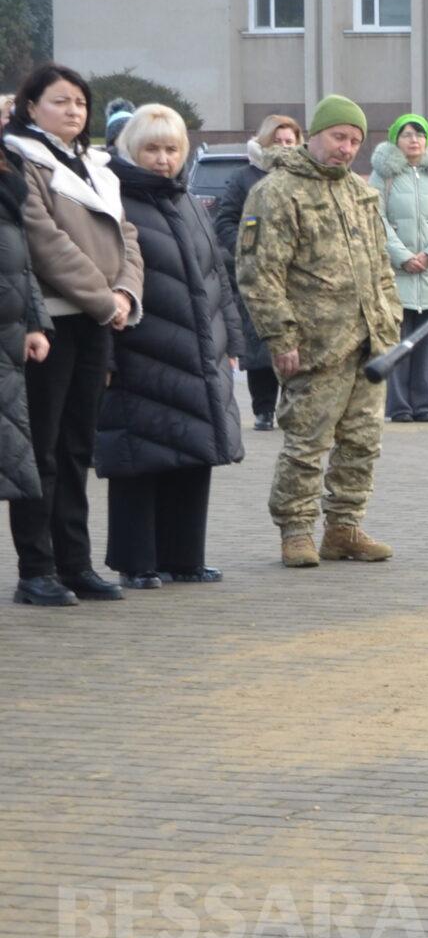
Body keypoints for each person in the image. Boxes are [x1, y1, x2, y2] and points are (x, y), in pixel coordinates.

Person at [236, 95, 405, 569]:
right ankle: (295, 529)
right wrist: (280, 336)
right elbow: (258, 272)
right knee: (307, 442)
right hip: (314, 344)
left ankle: (344, 527)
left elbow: (381, 267)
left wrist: (389, 318)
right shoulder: (277, 191)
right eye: (338, 136)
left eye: (355, 140)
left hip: (368, 341)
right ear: (314, 135)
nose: (346, 148)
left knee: (362, 441)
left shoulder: (361, 192)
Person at [4, 64, 143, 605]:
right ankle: (35, 570)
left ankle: (75, 563)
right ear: (31, 106)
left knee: (77, 446)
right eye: (60, 101)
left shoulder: (95, 166)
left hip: (97, 318)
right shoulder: (22, 158)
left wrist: (126, 294)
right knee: (42, 449)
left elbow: (126, 234)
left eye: (81, 103)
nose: (74, 111)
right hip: (50, 320)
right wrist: (102, 297)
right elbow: (44, 240)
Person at [95, 105, 245, 588]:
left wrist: (233, 339)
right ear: (131, 150)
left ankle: (184, 557)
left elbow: (217, 274)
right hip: (141, 348)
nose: (163, 159)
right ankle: (136, 563)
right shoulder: (114, 198)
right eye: (152, 149)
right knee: (138, 457)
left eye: (172, 149)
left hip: (199, 349)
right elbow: (106, 278)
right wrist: (107, 356)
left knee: (193, 451)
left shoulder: (185, 200)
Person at [216, 114, 300, 431]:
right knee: (262, 346)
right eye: (277, 141)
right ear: (263, 142)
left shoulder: (304, 177)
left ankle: (292, 408)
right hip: (259, 276)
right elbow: (225, 221)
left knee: (297, 345)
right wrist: (247, 253)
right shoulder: (244, 178)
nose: (283, 147)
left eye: (289, 142)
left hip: (296, 276)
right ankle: (264, 409)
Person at [374, 114, 428, 424]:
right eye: (407, 134)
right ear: (395, 139)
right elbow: (376, 220)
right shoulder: (382, 176)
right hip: (397, 273)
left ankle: (425, 405)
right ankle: (398, 406)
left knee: (426, 343)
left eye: (420, 135)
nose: (414, 140)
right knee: (396, 341)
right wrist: (402, 256)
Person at [0, 139, 53, 604]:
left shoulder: (8, 171)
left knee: (19, 460)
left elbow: (23, 265)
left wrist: (35, 323)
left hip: (11, 344)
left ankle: (36, 573)